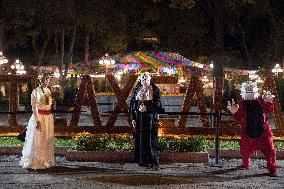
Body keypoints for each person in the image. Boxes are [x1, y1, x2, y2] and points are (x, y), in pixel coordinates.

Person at [227, 81, 278, 177]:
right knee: (245, 148)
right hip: (248, 129)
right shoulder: (242, 103)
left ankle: (272, 168)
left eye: (251, 89)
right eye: (247, 90)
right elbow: (239, 117)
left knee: (269, 149)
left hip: (263, 129)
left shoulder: (261, 100)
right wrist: (234, 112)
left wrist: (269, 102)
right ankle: (245, 163)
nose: (249, 92)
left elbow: (269, 109)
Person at [129, 72, 164, 170]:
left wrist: (147, 108)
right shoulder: (136, 90)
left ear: (150, 80)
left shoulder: (155, 90)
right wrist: (133, 118)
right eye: (143, 79)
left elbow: (158, 104)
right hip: (139, 118)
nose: (145, 81)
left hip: (150, 118)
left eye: (147, 79)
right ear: (140, 80)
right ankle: (143, 161)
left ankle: (153, 162)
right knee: (141, 139)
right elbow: (133, 105)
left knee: (150, 140)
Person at [19, 73, 55, 170]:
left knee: (46, 138)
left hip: (48, 117)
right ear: (40, 81)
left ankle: (46, 159)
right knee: (38, 138)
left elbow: (49, 104)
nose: (47, 82)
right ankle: (36, 160)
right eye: (45, 80)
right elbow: (34, 107)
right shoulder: (35, 91)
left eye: (48, 80)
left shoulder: (48, 90)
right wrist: (36, 119)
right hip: (39, 116)